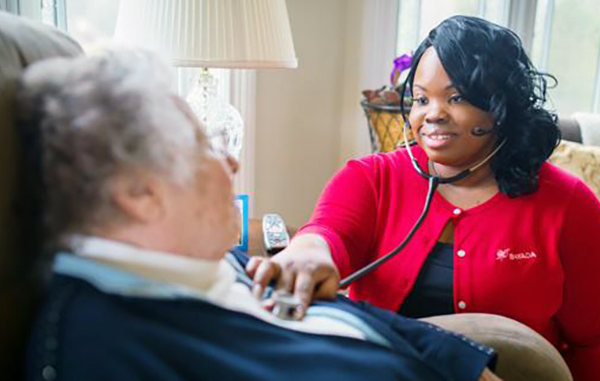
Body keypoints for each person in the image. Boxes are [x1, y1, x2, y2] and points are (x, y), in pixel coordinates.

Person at [17, 50, 500, 381]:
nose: (231, 162)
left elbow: (341, 313)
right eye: (202, 147)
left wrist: (461, 364)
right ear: (139, 193)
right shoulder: (104, 346)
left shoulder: (204, 265)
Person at [248, 15, 600, 380]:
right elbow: (328, 232)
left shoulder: (570, 205)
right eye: (420, 98)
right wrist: (306, 253)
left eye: (456, 97)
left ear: (501, 107)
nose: (432, 114)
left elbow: (592, 342)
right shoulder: (370, 178)